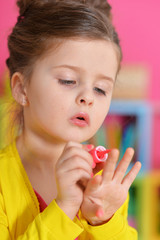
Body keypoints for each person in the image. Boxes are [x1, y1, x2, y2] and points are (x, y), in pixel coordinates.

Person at [0, 0, 141, 239]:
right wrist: (64, 208)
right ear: (22, 88)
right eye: (68, 80)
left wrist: (103, 220)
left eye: (100, 89)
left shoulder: (104, 181)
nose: (87, 97)